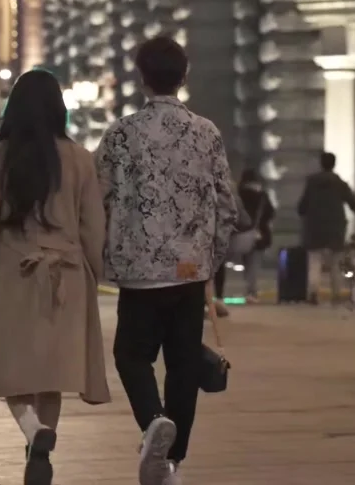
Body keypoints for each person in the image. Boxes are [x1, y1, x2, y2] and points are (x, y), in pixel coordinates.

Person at [96, 36, 237, 485]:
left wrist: (103, 253)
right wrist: (208, 259)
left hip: (140, 273)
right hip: (189, 273)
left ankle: (153, 420)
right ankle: (172, 461)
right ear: (183, 76)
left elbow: (96, 197)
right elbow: (227, 207)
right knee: (183, 365)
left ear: (141, 77)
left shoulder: (122, 133)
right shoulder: (206, 132)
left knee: (130, 355)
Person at [0, 69, 109, 485]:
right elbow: (92, 225)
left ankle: (33, 431)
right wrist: (92, 275)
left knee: (14, 368)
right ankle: (41, 445)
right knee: (51, 375)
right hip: (65, 278)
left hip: (13, 274)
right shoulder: (80, 158)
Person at [298, 151, 355, 304]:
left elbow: (302, 206)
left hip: (315, 227)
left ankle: (313, 292)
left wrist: (303, 212)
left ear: (321, 163)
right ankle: (336, 294)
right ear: (334, 164)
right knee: (336, 261)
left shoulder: (311, 182)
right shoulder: (340, 183)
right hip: (336, 227)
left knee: (315, 261)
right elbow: (354, 204)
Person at [238, 168, 275, 304]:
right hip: (258, 234)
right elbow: (270, 213)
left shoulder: (238, 194)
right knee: (254, 264)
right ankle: (251, 291)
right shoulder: (262, 195)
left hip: (241, 233)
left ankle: (249, 289)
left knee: (246, 262)